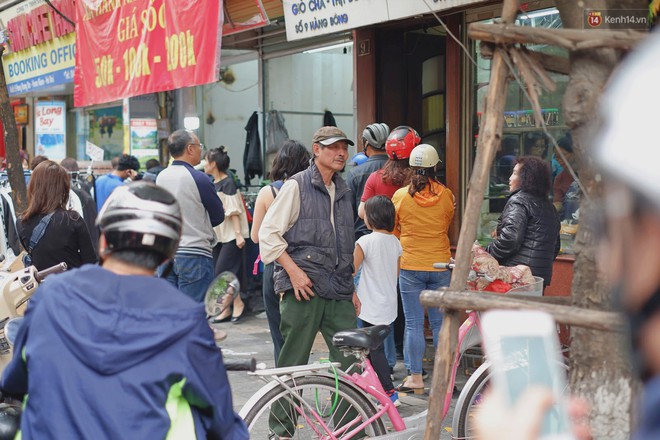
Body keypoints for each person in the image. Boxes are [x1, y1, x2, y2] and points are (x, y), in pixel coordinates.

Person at [1, 182, 248, 439]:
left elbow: (15, 380)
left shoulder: (51, 296)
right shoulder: (185, 318)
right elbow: (221, 418)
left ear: (104, 240)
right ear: (169, 253)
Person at [258, 126, 357, 436]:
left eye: (344, 146)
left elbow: (345, 243)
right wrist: (293, 271)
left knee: (351, 362)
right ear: (316, 150)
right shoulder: (295, 186)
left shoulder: (344, 190)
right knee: (293, 362)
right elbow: (268, 234)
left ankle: (348, 428)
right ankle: (281, 430)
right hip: (303, 288)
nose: (341, 152)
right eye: (333, 147)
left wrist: (352, 287)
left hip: (339, 287)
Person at [392, 143, 455, 393]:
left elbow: (395, 228)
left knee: (413, 323)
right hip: (440, 264)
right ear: (435, 167)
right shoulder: (447, 195)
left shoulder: (399, 196)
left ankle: (416, 378)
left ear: (411, 167)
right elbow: (447, 223)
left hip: (410, 265)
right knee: (440, 325)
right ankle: (444, 378)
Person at [250, 140, 311, 363]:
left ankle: (286, 389)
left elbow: (256, 236)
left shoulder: (268, 192)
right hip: (303, 268)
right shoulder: (309, 190)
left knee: (279, 335)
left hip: (274, 267)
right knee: (299, 336)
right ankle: (300, 384)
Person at [156, 129, 225, 302]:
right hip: (194, 254)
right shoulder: (199, 178)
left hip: (165, 252)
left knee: (171, 310)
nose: (201, 150)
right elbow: (218, 215)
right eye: (199, 146)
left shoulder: (160, 177)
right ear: (189, 149)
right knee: (194, 313)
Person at [353, 195, 402, 405]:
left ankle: (389, 392)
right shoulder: (395, 242)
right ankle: (379, 389)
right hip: (389, 303)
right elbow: (396, 274)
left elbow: (351, 270)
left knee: (374, 349)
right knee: (376, 347)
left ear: (370, 218)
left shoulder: (364, 241)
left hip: (368, 303)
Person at [486, 156, 560, 287]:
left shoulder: (519, 201)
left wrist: (487, 253)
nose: (509, 178)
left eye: (514, 173)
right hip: (538, 279)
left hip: (516, 277)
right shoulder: (550, 206)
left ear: (526, 178)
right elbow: (555, 246)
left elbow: (510, 239)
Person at [16, 160, 97, 271]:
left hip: (42, 287)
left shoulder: (22, 222)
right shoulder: (73, 219)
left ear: (33, 186)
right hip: (71, 285)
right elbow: (90, 261)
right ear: (62, 188)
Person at [204, 146, 249, 323]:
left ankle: (230, 306)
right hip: (219, 236)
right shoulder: (211, 183)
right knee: (225, 273)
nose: (204, 164)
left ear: (213, 164)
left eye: (206, 161)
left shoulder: (228, 183)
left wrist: (238, 235)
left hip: (231, 235)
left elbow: (234, 212)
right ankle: (232, 305)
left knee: (221, 273)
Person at [344, 122, 390, 240]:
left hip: (363, 238)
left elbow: (347, 211)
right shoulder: (401, 171)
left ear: (367, 144)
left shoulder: (354, 173)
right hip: (394, 237)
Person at [552, 133, 579, 219]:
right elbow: (558, 202)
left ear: (575, 153)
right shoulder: (559, 179)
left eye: (563, 155)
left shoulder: (590, 176)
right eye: (557, 157)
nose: (560, 160)